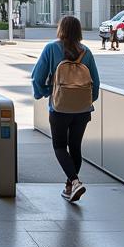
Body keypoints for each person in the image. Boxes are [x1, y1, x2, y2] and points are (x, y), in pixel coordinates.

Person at [31, 15, 100, 203]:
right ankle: (70, 187)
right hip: (83, 110)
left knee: (60, 146)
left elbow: (37, 78)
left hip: (59, 109)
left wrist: (43, 93)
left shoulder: (51, 48)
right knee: (75, 147)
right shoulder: (86, 52)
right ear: (79, 31)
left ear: (61, 29)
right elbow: (96, 82)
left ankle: (75, 182)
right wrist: (86, 101)